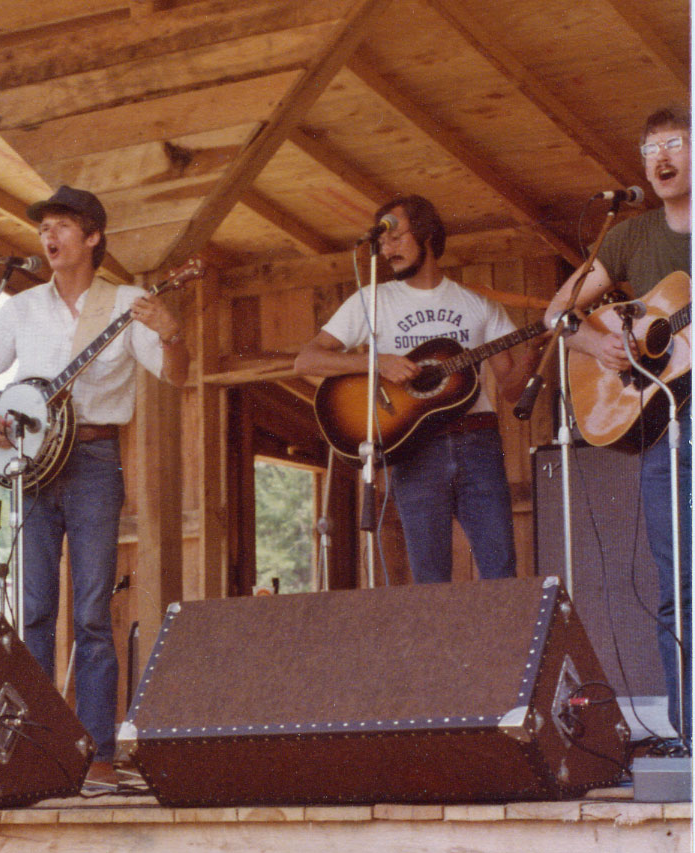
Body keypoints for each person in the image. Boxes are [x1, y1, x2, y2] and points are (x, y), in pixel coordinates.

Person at [0, 185, 189, 777]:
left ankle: (97, 755)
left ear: (92, 237)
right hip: (32, 469)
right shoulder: (21, 306)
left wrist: (170, 331)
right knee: (34, 610)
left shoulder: (128, 301)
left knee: (90, 612)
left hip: (92, 462)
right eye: (44, 228)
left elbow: (173, 374)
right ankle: (39, 754)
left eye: (62, 226)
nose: (49, 237)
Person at [294, 193, 540, 585]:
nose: (386, 249)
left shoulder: (478, 304)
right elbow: (306, 360)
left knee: (501, 573)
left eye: (395, 237)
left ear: (425, 233)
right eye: (381, 242)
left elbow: (511, 391)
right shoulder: (372, 299)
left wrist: (534, 354)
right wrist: (379, 363)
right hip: (413, 446)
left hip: (478, 443)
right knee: (430, 580)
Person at [543, 106, 691, 745]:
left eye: (676, 143)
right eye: (650, 147)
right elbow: (558, 313)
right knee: (679, 583)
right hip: (668, 424)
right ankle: (690, 734)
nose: (662, 156)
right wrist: (598, 347)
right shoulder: (629, 237)